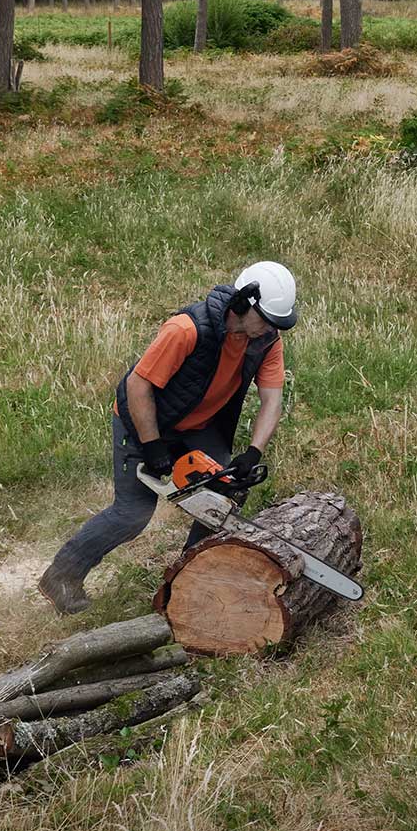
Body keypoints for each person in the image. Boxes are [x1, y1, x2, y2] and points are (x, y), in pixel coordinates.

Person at [38, 263, 299, 615]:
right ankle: (61, 576)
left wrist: (253, 452)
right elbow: (137, 386)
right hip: (144, 419)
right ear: (242, 302)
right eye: (265, 319)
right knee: (133, 512)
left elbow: (272, 399)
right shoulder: (187, 329)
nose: (270, 329)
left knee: (225, 494)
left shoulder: (265, 342)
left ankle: (186, 584)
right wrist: (154, 444)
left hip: (199, 425)